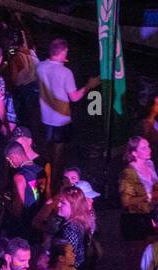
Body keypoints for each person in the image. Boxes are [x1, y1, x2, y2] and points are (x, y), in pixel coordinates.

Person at [35, 39, 100, 190]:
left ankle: (43, 183)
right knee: (58, 157)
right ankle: (55, 185)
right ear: (63, 52)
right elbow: (75, 97)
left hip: (45, 118)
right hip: (61, 120)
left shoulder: (39, 67)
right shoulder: (65, 72)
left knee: (46, 152)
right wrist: (89, 86)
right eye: (66, 52)